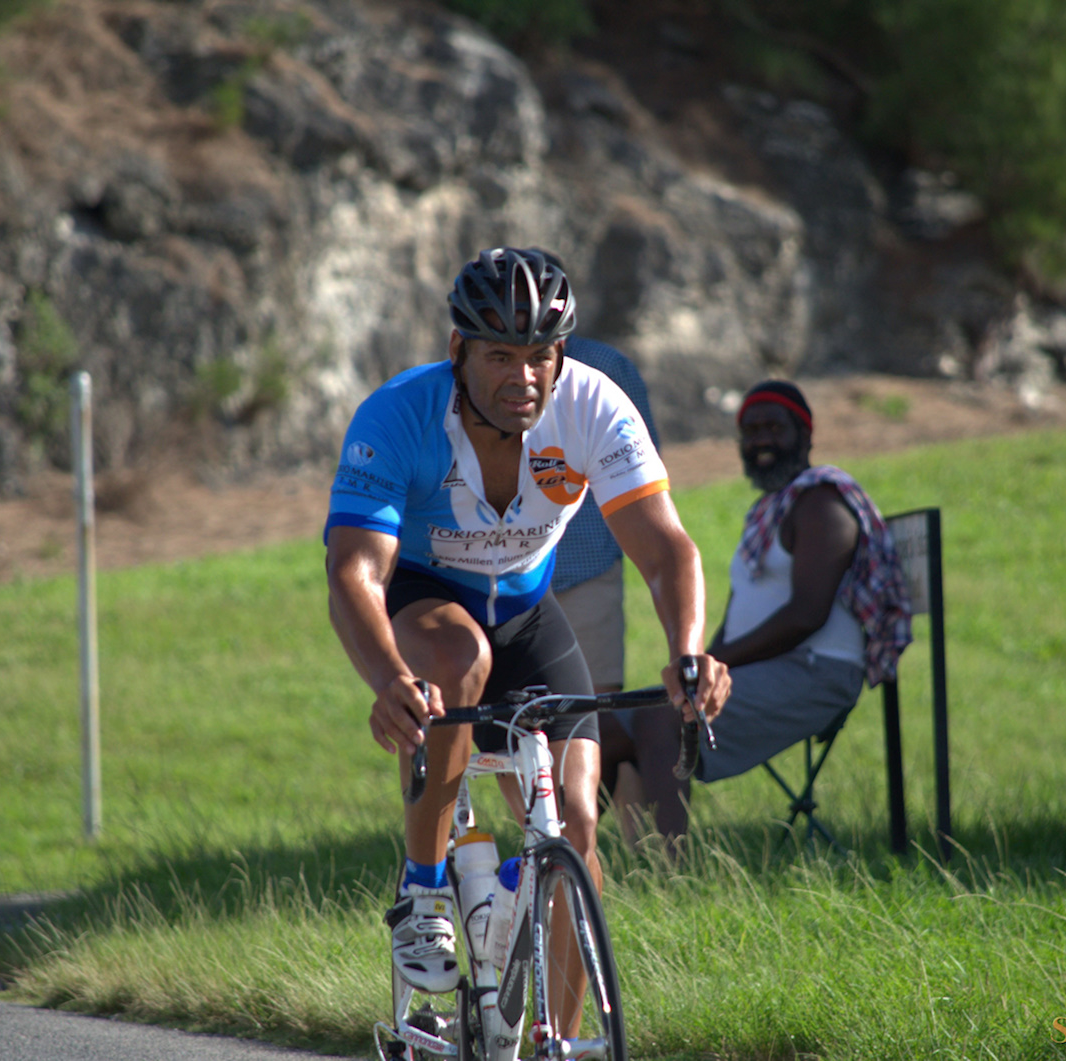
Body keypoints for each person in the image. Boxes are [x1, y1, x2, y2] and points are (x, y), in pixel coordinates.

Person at [323, 247, 730, 1001]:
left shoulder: (593, 406)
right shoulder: (399, 414)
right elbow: (354, 570)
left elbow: (667, 547)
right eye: (500, 355)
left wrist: (686, 652)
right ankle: (423, 888)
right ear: (458, 351)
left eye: (541, 354)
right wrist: (389, 680)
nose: (524, 377)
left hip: (528, 616)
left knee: (575, 827)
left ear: (561, 354)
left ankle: (563, 1042)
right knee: (457, 655)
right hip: (425, 600)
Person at [599, 379, 912, 845]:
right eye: (750, 430)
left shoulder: (821, 501)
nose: (761, 440)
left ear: (805, 434)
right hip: (766, 668)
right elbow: (742, 618)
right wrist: (708, 662)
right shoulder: (769, 510)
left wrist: (716, 662)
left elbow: (806, 615)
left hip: (817, 672)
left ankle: (670, 871)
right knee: (607, 723)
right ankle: (565, 851)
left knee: (664, 717)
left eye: (774, 427)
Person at [553, 336, 660, 697]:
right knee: (503, 735)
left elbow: (641, 469)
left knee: (596, 720)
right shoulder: (473, 364)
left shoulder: (604, 364)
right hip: (498, 579)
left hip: (584, 570)